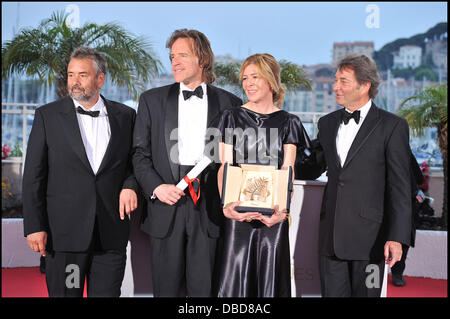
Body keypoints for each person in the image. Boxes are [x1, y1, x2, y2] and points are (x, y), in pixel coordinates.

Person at [132, 29, 242, 297]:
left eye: (182, 55)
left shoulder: (231, 104)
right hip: (165, 204)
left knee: (204, 291)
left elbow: (237, 158)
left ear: (202, 59)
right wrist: (157, 188)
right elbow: (139, 153)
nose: (175, 62)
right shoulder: (151, 100)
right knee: (165, 289)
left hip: (209, 206)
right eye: (172, 56)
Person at [22, 46, 138, 297]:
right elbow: (33, 175)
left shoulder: (125, 116)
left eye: (82, 75)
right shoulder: (48, 116)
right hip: (65, 237)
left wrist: (129, 185)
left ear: (100, 79)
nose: (74, 81)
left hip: (110, 236)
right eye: (71, 74)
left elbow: (133, 162)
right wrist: (34, 226)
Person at [214, 53, 310, 297]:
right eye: (245, 78)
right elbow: (225, 165)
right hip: (237, 216)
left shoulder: (290, 122)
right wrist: (227, 207)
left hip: (273, 218)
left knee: (270, 285)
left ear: (271, 81)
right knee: (234, 286)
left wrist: (283, 212)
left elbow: (288, 169)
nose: (248, 83)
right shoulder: (230, 117)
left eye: (255, 77)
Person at [316, 53, 412, 297]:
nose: (335, 86)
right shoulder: (326, 123)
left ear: (365, 85)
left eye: (343, 81)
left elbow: (400, 187)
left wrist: (397, 238)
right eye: (336, 80)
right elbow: (311, 165)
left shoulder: (393, 126)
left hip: (372, 243)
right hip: (332, 240)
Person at [391, 151, 424, 286]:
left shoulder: (407, 154)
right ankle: (396, 273)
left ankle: (397, 273)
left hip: (406, 201)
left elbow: (419, 177)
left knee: (403, 238)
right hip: (394, 201)